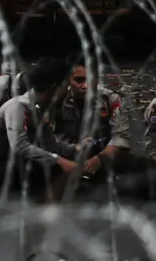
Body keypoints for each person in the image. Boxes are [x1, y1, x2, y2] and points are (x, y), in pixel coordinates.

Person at [0, 58, 79, 202]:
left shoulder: (39, 109)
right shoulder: (17, 105)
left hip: (7, 161)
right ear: (54, 87)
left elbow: (51, 146)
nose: (68, 92)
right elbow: (19, 145)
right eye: (66, 87)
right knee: (53, 169)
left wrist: (77, 149)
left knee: (54, 165)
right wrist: (60, 161)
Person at [52, 54, 138, 183]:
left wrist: (100, 159)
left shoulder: (111, 100)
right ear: (68, 80)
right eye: (79, 80)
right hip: (66, 158)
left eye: (90, 79)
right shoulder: (56, 102)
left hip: (102, 156)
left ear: (97, 79)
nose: (85, 86)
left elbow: (121, 137)